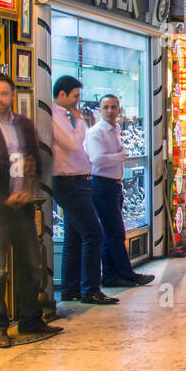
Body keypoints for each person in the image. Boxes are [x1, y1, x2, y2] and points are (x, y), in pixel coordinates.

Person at [0, 72, 61, 348]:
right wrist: (11, 163)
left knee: (30, 264)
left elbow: (35, 159)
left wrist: (29, 180)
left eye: (4, 94)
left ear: (12, 95)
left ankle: (31, 319)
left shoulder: (23, 124)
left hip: (23, 204)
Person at [51, 75, 118, 306]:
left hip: (77, 181)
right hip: (68, 182)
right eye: (75, 96)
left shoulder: (67, 116)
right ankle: (90, 289)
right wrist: (80, 122)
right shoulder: (57, 117)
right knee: (93, 233)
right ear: (62, 95)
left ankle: (71, 288)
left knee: (73, 237)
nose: (78, 101)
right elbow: (72, 144)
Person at [86, 94, 154, 287]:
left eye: (113, 107)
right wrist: (120, 156)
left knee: (111, 233)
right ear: (99, 110)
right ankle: (126, 273)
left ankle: (110, 274)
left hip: (114, 185)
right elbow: (97, 159)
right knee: (115, 232)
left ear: (118, 110)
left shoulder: (115, 129)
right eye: (106, 107)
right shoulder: (96, 132)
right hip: (101, 185)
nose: (109, 111)